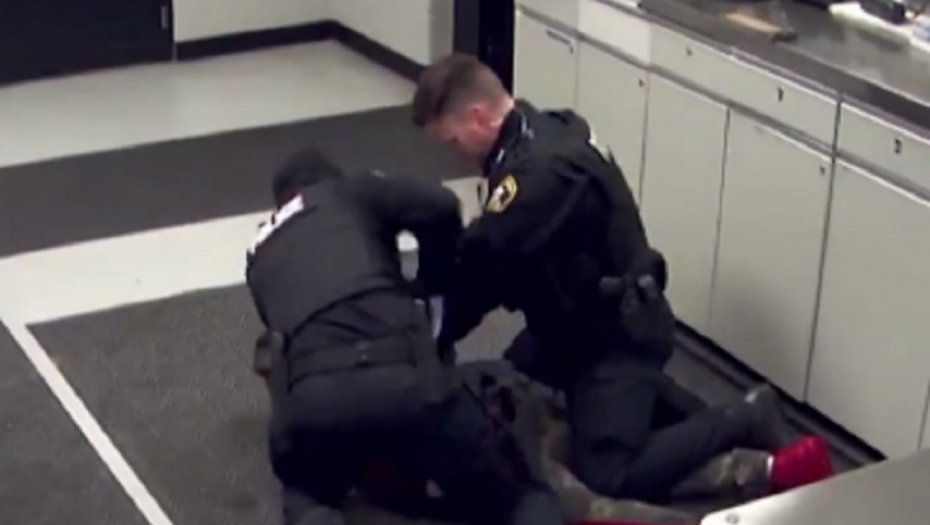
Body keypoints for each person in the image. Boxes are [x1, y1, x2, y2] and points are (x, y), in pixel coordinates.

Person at [410, 53, 835, 504]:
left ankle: (742, 418)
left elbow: (480, 269)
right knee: (513, 391)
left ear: (479, 117)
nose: (454, 153)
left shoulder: (538, 177)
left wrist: (429, 332)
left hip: (615, 337)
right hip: (573, 322)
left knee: (609, 473)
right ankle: (658, 406)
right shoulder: (551, 126)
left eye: (453, 140)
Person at [245, 149, 565, 525]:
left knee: (307, 492)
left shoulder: (258, 250)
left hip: (314, 403)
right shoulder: (349, 191)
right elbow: (441, 205)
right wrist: (434, 280)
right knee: (506, 490)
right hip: (407, 383)